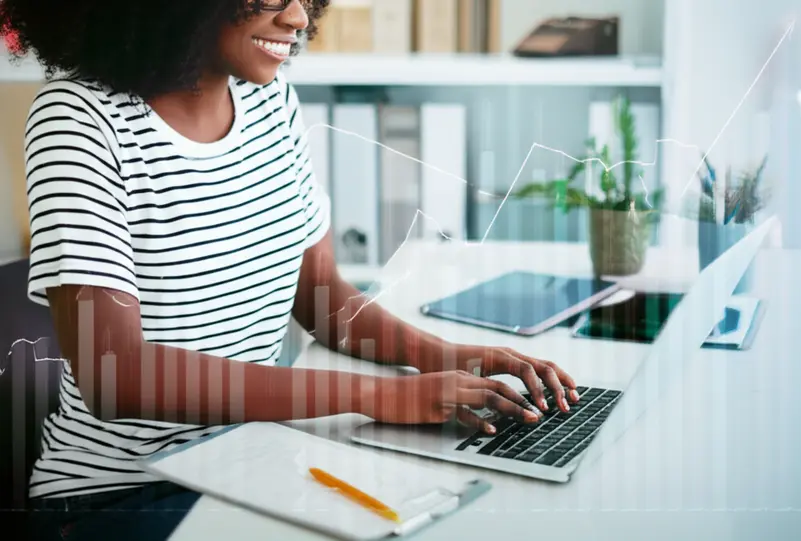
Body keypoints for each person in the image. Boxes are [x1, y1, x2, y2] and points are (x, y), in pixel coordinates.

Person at [1, 1, 580, 539]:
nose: (299, 15)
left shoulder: (269, 98)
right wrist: (375, 396)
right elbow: (114, 375)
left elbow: (322, 295)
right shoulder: (79, 119)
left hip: (254, 457)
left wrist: (443, 356)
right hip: (125, 494)